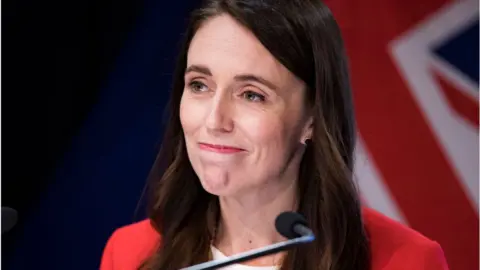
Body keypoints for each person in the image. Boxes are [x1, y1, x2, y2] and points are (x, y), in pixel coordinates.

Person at [100, 0, 450, 269]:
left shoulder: (406, 261)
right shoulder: (131, 254)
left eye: (252, 94)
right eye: (200, 85)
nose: (214, 120)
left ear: (312, 117)